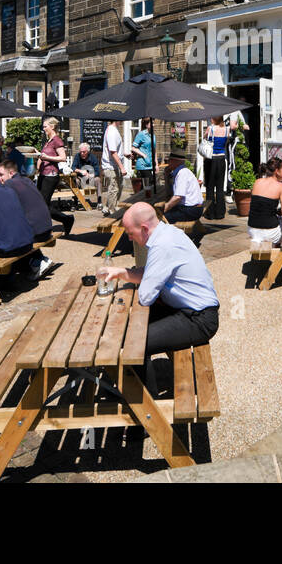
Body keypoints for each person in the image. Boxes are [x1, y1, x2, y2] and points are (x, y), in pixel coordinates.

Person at [97, 203, 219, 392]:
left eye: (130, 233)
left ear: (144, 229)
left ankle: (146, 409)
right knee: (125, 326)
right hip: (184, 309)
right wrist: (121, 272)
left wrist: (134, 277)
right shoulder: (167, 232)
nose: (130, 238)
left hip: (198, 319)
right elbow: (152, 273)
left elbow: (146, 297)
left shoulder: (162, 245)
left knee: (133, 344)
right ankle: (134, 390)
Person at [0, 167, 49, 281]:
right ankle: (6, 281)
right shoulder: (10, 191)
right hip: (27, 243)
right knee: (3, 238)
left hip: (10, 247)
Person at [35, 117, 74, 236]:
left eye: (45, 126)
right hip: (43, 174)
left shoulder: (57, 140)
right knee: (39, 203)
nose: (43, 128)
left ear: (52, 127)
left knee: (42, 204)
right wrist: (39, 156)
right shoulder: (48, 141)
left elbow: (62, 158)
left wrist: (46, 157)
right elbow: (44, 156)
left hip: (51, 176)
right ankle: (64, 220)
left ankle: (65, 220)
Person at [0, 160, 56, 242]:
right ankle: (39, 255)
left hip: (35, 234)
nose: (0, 179)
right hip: (47, 231)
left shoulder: (10, 183)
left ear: (11, 173)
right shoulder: (27, 180)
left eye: (1, 175)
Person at [247, 156, 282, 246]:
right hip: (269, 233)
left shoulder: (257, 182)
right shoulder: (281, 187)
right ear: (277, 171)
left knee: (278, 221)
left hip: (252, 230)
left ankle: (275, 248)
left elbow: (261, 205)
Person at [160, 153, 204, 223]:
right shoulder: (180, 172)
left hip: (191, 210)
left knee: (160, 219)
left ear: (176, 161)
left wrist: (166, 207)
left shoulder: (182, 173)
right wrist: (166, 176)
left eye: (169, 160)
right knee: (161, 214)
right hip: (191, 208)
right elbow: (169, 193)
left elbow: (178, 197)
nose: (168, 163)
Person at [201, 116, 231, 220]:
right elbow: (225, 143)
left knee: (209, 187)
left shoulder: (210, 128)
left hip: (211, 159)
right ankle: (220, 213)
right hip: (222, 159)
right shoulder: (227, 129)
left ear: (215, 119)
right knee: (219, 186)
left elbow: (204, 139)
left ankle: (210, 213)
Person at [100, 119, 127, 216]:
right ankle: (112, 214)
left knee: (115, 188)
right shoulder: (112, 132)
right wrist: (122, 167)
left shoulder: (113, 130)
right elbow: (113, 152)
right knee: (114, 190)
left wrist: (124, 154)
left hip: (113, 165)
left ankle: (107, 208)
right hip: (111, 166)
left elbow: (114, 150)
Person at [130, 119, 156, 191]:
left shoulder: (153, 135)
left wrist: (156, 163)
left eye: (154, 123)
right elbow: (133, 148)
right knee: (149, 183)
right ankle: (145, 200)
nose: (153, 125)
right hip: (142, 164)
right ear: (146, 125)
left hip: (150, 164)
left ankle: (141, 200)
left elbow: (154, 150)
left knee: (145, 186)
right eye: (151, 123)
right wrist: (144, 155)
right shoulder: (141, 134)